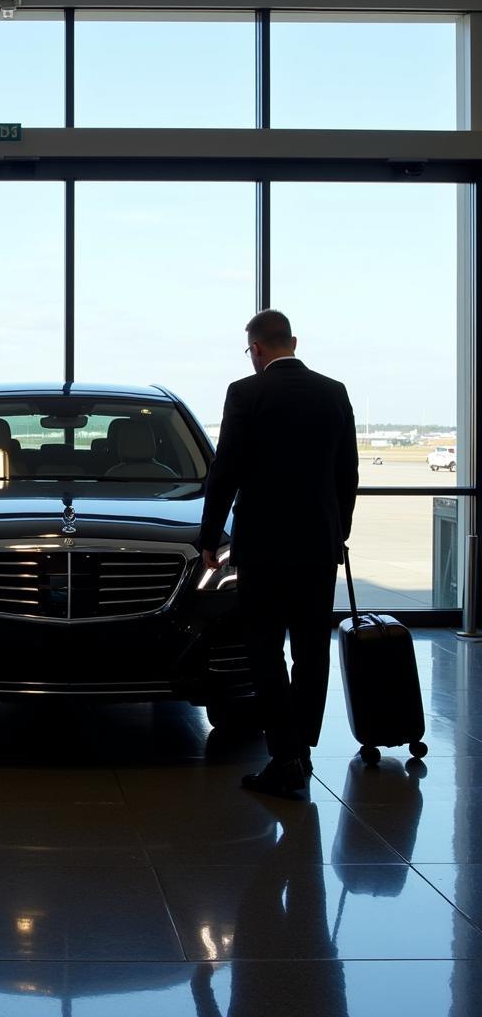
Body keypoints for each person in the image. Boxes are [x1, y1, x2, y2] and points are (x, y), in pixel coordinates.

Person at [199, 310, 358, 798]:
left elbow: (226, 470)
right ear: (293, 341)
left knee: (264, 651)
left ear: (257, 350)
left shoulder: (246, 394)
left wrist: (210, 538)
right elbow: (346, 475)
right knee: (312, 651)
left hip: (264, 549)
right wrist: (337, 534)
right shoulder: (334, 392)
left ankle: (284, 755)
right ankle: (301, 752)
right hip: (317, 548)